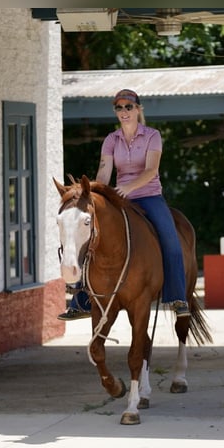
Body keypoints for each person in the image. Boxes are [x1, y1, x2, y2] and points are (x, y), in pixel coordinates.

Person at [58, 88, 190, 321]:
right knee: (90, 236)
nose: (124, 111)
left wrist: (129, 187)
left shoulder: (152, 135)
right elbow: (105, 170)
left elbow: (151, 170)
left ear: (138, 109)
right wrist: (96, 193)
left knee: (171, 241)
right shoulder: (111, 139)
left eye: (128, 106)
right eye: (119, 107)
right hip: (119, 198)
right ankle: (81, 301)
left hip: (149, 196)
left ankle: (177, 298)